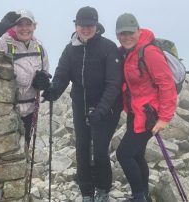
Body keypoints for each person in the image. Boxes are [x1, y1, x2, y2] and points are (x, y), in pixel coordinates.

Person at [42, 6, 123, 202]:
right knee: (82, 149)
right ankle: (87, 192)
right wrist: (53, 91)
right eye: (82, 25)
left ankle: (103, 189)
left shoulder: (108, 47)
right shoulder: (70, 49)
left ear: (96, 25)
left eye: (90, 25)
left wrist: (101, 110)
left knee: (101, 150)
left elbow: (114, 84)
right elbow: (62, 76)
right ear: (76, 26)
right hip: (81, 105)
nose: (86, 29)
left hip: (107, 107)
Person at [115, 13, 177, 202]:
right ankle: (144, 196)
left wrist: (164, 117)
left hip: (150, 114)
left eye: (130, 33)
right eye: (122, 34)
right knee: (137, 154)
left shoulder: (149, 52)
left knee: (123, 154)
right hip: (136, 112)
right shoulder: (127, 52)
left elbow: (166, 84)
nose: (126, 37)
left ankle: (139, 197)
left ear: (138, 31)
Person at [0, 9, 51, 147]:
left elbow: (45, 70)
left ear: (34, 26)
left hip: (31, 109)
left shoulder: (39, 47)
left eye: (29, 24)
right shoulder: (3, 44)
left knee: (24, 146)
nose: (25, 28)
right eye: (20, 24)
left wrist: (43, 80)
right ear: (13, 26)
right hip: (8, 109)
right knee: (7, 150)